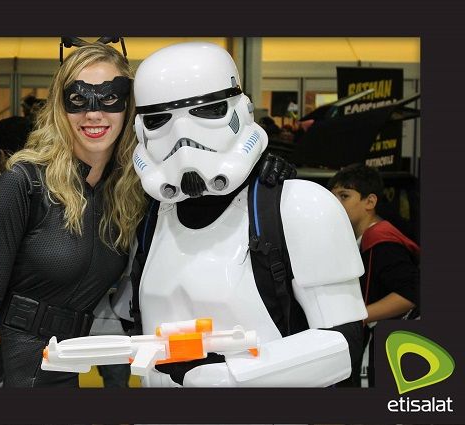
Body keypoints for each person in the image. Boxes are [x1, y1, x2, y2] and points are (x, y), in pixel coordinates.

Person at [102, 42, 367, 387]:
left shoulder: (300, 208)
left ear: (241, 111)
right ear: (140, 132)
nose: (182, 138)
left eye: (208, 112)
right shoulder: (147, 217)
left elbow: (343, 346)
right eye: (159, 120)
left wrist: (225, 377)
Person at [0, 41, 147, 388]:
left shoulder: (127, 192)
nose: (93, 114)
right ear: (59, 108)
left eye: (110, 97)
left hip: (60, 367)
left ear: (129, 106)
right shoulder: (24, 182)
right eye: (78, 99)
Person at [329, 163, 420, 386]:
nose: (336, 205)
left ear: (370, 201)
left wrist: (359, 316)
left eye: (344, 196)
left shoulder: (381, 241)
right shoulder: (367, 238)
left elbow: (410, 295)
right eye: (333, 198)